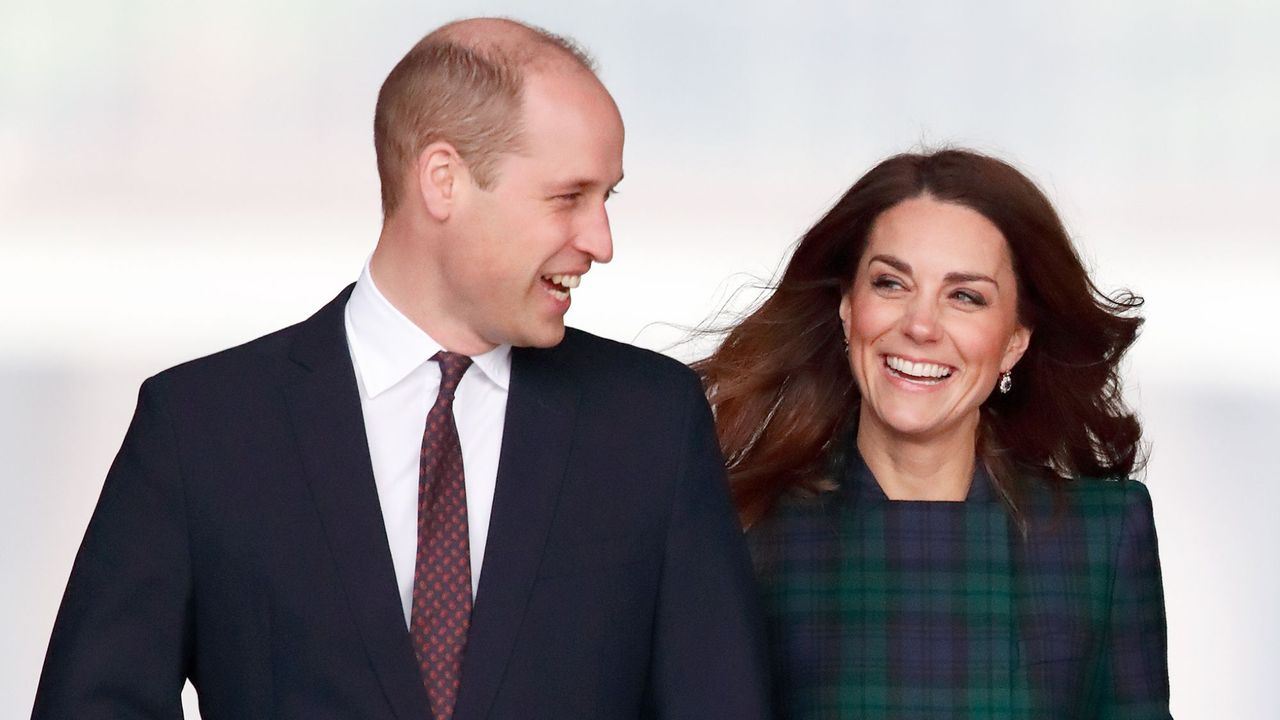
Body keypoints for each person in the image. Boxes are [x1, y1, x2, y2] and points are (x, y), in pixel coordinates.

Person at [33, 18, 769, 719]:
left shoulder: (651, 423)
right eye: (568, 197)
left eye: (604, 198)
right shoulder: (202, 428)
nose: (601, 240)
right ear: (442, 179)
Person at [696, 149, 1171, 718]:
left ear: (1015, 340)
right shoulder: (744, 533)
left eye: (965, 296)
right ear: (849, 308)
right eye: (892, 284)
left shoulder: (1103, 537)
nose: (920, 326)